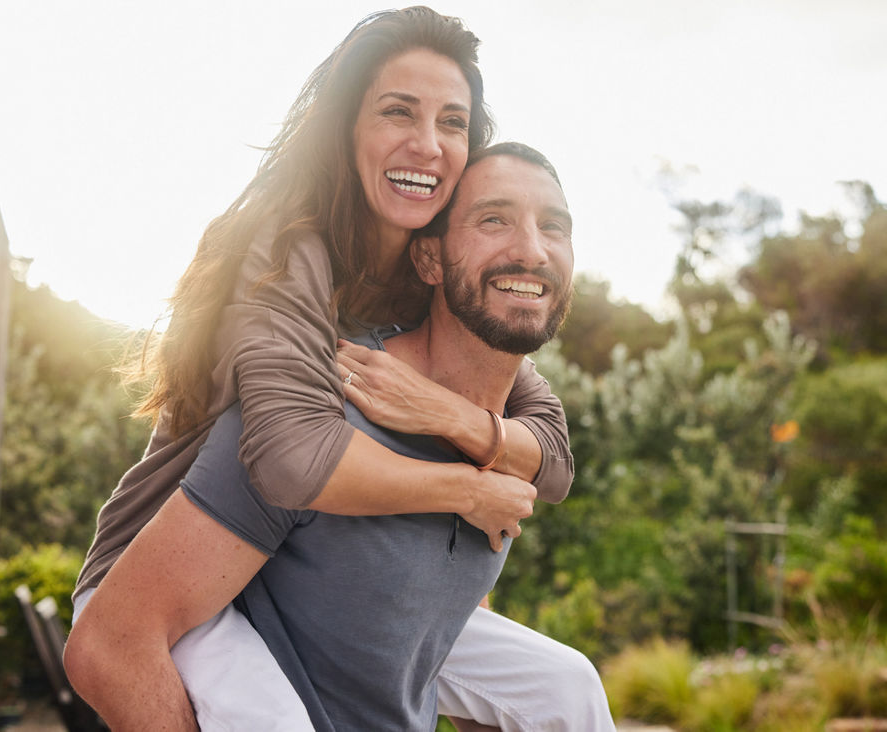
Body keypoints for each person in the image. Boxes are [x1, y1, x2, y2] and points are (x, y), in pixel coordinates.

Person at [70, 7, 585, 730]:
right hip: (173, 563)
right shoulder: (289, 257)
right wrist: (467, 490)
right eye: (397, 112)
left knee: (567, 687)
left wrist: (448, 416)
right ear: (346, 128)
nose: (428, 144)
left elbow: (551, 454)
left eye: (452, 123)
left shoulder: (426, 277)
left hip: (280, 551)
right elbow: (289, 458)